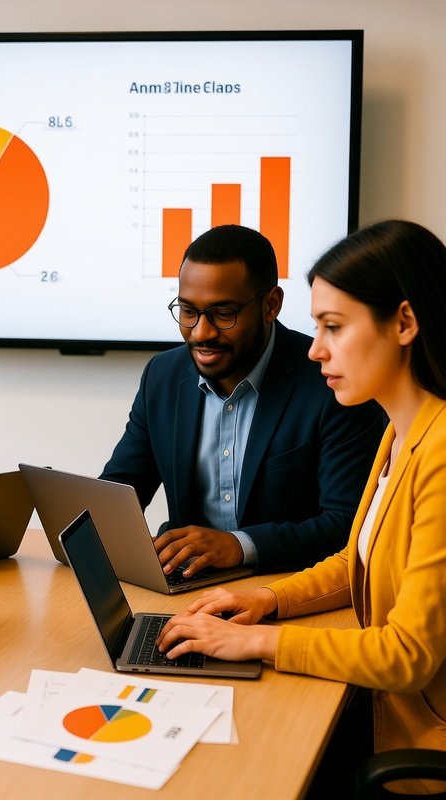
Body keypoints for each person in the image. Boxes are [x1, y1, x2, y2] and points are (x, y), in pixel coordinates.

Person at [157, 220, 446, 795]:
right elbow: (355, 560)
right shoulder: (401, 432)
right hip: (375, 711)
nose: (315, 349)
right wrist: (264, 600)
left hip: (411, 746)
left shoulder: (440, 454)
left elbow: (409, 655)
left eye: (334, 327)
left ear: (405, 323)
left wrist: (255, 642)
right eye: (316, 327)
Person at [101, 224, 385, 577]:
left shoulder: (333, 383)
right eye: (188, 311)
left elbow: (349, 524)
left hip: (290, 585)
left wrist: (239, 545)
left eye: (223, 314)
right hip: (190, 587)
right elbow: (120, 491)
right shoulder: (162, 376)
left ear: (271, 305)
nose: (201, 333)